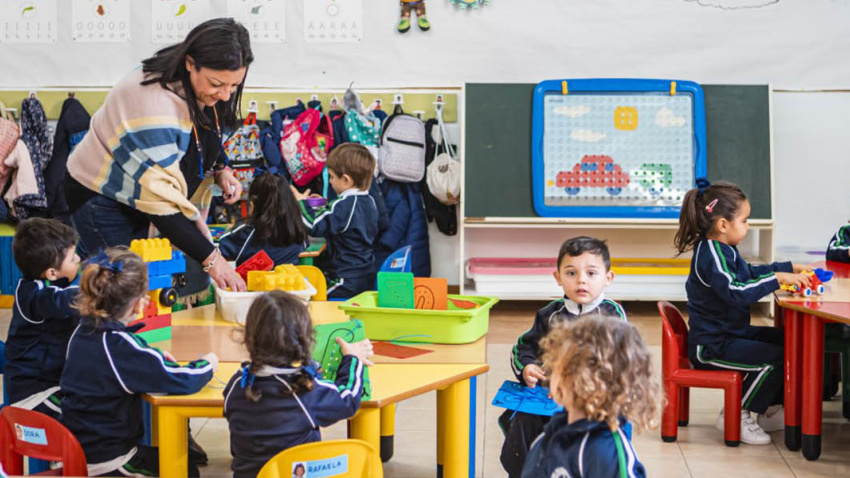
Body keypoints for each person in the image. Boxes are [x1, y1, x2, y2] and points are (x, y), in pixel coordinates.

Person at [65, 18, 253, 292]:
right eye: (217, 84)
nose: (225, 95)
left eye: (234, 86)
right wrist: (214, 261)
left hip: (135, 195)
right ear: (191, 63)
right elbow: (162, 205)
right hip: (101, 197)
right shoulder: (153, 104)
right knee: (118, 290)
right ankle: (90, 334)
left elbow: (203, 133)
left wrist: (221, 167)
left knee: (123, 282)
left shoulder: (192, 86)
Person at [674, 179, 811, 445]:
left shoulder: (726, 250)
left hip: (730, 334)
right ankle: (737, 414)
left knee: (789, 344)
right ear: (723, 225)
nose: (748, 227)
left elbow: (749, 274)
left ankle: (767, 408)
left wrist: (788, 268)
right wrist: (778, 279)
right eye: (745, 221)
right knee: (774, 358)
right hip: (712, 345)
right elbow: (736, 291)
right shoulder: (710, 254)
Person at [61, 247, 219, 476]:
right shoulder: (122, 347)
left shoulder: (82, 331)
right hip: (109, 461)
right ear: (137, 303)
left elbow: (125, 362)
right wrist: (207, 364)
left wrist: (150, 358)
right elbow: (182, 380)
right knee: (185, 470)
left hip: (77, 449)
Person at [501, 236, 627, 477]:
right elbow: (523, 347)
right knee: (522, 422)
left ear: (607, 278)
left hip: (594, 400)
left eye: (591, 273)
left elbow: (619, 361)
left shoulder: (613, 315)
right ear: (558, 278)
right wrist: (527, 367)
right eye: (571, 273)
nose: (581, 280)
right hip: (548, 398)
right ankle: (525, 471)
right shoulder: (549, 315)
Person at [223, 290, 373, 478]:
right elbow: (348, 399)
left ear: (249, 338)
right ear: (304, 338)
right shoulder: (304, 390)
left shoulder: (237, 384)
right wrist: (353, 359)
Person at [522, 317, 661, 478]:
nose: (550, 374)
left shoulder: (605, 453)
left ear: (583, 380)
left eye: (558, 365)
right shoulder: (555, 430)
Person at [5, 218, 80, 417]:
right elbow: (61, 300)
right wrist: (96, 289)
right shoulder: (33, 295)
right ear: (52, 273)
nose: (79, 259)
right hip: (33, 395)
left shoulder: (48, 281)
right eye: (73, 258)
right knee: (90, 407)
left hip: (50, 381)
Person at [292, 144, 379, 298]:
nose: (330, 182)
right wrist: (325, 206)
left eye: (331, 176)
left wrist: (300, 203)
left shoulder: (344, 205)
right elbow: (341, 218)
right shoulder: (368, 200)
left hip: (345, 280)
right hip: (365, 274)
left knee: (309, 297)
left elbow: (314, 226)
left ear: (346, 180)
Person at [219, 172, 308, 266]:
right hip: (288, 280)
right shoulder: (299, 231)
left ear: (252, 204)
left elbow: (216, 251)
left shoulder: (245, 234)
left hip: (252, 280)